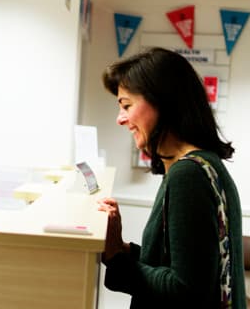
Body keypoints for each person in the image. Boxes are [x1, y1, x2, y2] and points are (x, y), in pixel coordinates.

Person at [97, 47, 246, 308]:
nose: (120, 119)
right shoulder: (206, 164)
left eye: (127, 105)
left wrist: (120, 263)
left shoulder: (188, 175)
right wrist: (122, 249)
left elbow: (185, 291)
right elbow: (189, 267)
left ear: (162, 102)